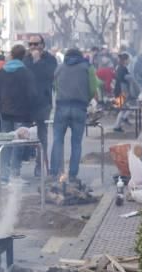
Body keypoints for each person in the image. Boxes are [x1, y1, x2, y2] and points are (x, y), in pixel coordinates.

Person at [51, 48, 96, 181]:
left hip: (61, 108)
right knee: (76, 143)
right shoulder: (87, 67)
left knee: (57, 140)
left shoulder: (59, 68)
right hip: (79, 108)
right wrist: (85, 100)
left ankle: (55, 173)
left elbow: (55, 86)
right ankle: (72, 175)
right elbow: (93, 88)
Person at [0, 44, 37, 181]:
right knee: (18, 142)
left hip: (5, 111)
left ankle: (3, 175)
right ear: (23, 56)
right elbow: (32, 94)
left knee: (6, 142)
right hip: (22, 112)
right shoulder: (27, 72)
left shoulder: (2, 72)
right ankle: (15, 173)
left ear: (11, 55)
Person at [23, 34, 58, 177]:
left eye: (36, 44)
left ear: (42, 45)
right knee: (22, 133)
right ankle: (16, 167)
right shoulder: (26, 59)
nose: (33, 47)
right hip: (27, 102)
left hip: (43, 102)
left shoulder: (50, 59)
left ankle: (40, 165)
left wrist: (38, 61)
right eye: (30, 44)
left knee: (42, 135)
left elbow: (50, 75)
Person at [112, 53, 136, 133]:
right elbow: (124, 80)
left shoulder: (120, 67)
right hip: (121, 92)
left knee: (123, 109)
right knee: (122, 109)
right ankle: (116, 126)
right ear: (125, 60)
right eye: (128, 59)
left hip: (119, 91)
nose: (129, 61)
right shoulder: (122, 69)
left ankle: (119, 124)